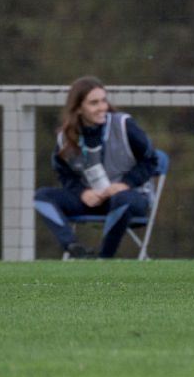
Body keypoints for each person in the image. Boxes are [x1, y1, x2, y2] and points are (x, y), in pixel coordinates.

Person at [33, 77, 160, 259]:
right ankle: (73, 247)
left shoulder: (124, 125)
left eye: (103, 101)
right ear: (78, 108)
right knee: (42, 196)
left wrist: (125, 184)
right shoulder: (65, 138)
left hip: (131, 198)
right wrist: (83, 192)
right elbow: (64, 174)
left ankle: (104, 258)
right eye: (94, 103)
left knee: (121, 199)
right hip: (92, 201)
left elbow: (151, 161)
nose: (102, 107)